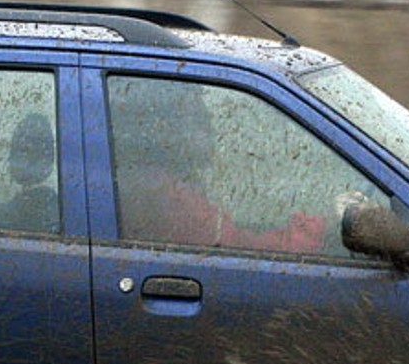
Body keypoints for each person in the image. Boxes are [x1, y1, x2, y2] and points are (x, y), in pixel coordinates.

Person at [111, 79, 331, 253]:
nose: (209, 124)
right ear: (164, 127)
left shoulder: (156, 178)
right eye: (197, 117)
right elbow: (243, 248)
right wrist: (320, 229)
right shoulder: (167, 194)